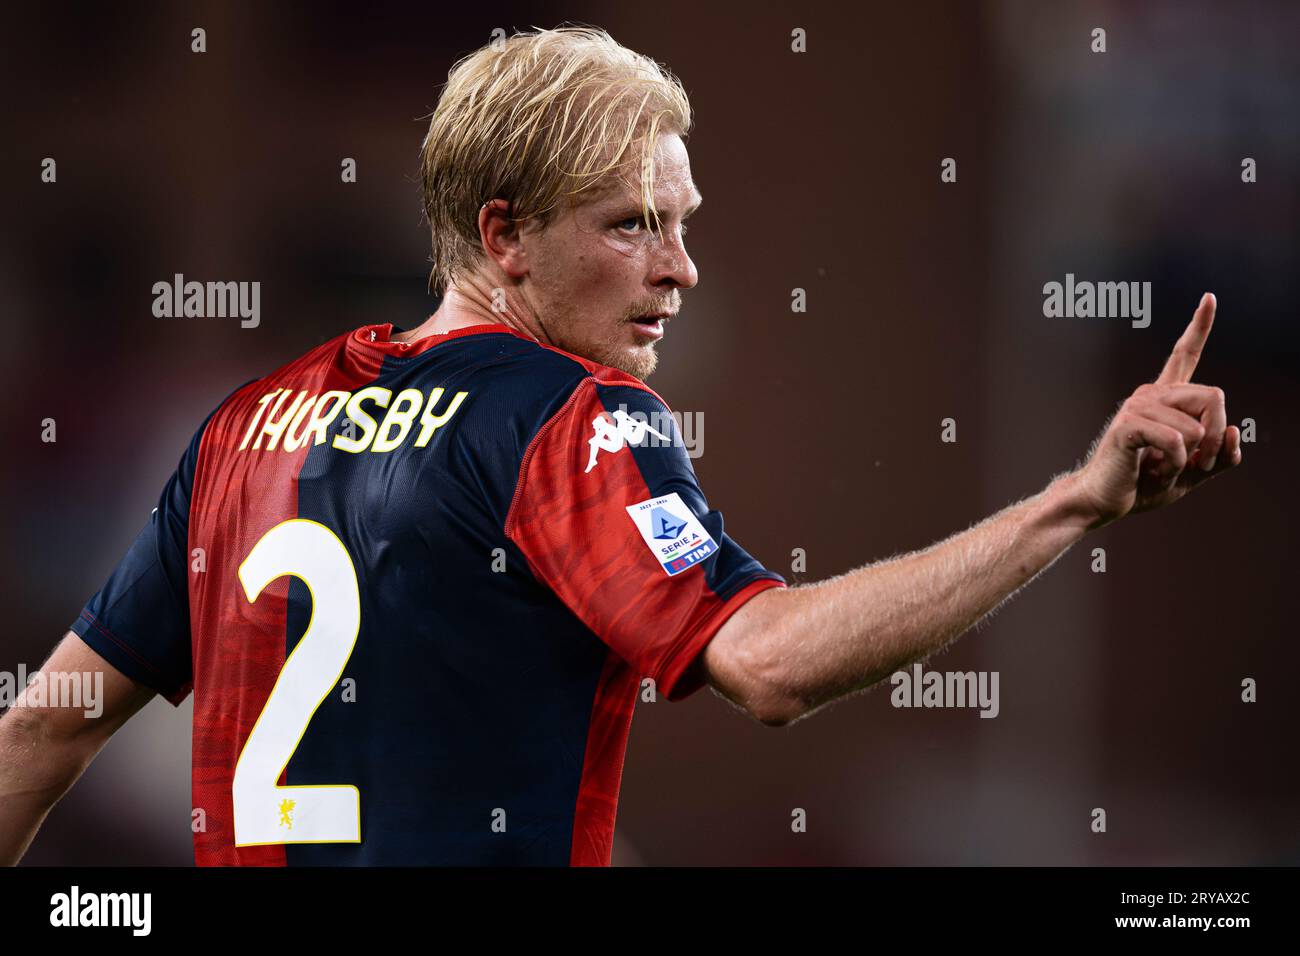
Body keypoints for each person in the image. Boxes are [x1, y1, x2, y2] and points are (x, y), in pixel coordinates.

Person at [0, 25, 1241, 867]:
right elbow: (768, 664)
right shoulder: (569, 413)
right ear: (505, 234)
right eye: (631, 226)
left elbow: (49, 723)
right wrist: (1071, 503)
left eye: (682, 223)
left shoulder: (240, 425)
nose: (679, 267)